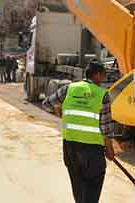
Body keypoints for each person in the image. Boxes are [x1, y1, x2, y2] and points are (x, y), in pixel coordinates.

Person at [43, 61, 115, 203]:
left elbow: (47, 103)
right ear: (98, 75)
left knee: (78, 189)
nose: (103, 79)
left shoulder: (69, 88)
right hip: (92, 151)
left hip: (70, 148)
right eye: (103, 76)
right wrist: (109, 149)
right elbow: (106, 127)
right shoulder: (102, 94)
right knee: (92, 191)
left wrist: (60, 112)